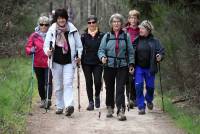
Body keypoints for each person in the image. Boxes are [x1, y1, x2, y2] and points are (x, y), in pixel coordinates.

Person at [43, 8, 83, 116]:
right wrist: (48, 51)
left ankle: (69, 106)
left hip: (69, 62)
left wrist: (79, 56)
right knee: (59, 85)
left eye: (63, 18)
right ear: (56, 19)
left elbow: (79, 46)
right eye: (59, 18)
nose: (61, 20)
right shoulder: (52, 30)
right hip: (55, 61)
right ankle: (60, 106)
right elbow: (46, 45)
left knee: (68, 84)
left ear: (66, 18)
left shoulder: (73, 29)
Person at [98, 13, 135, 121]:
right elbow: (101, 50)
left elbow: (131, 52)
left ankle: (121, 111)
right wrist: (102, 57)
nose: (116, 23)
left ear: (121, 23)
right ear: (111, 23)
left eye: (118, 21)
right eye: (114, 21)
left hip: (122, 66)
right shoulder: (107, 36)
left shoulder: (126, 36)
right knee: (109, 88)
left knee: (120, 88)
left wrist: (131, 64)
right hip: (109, 65)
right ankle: (110, 107)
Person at [133, 20, 165, 115]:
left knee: (150, 87)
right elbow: (131, 51)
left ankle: (149, 99)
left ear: (148, 30)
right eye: (140, 28)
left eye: (142, 28)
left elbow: (162, 51)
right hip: (139, 67)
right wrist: (131, 64)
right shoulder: (136, 40)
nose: (140, 30)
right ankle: (141, 106)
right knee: (138, 87)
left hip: (150, 68)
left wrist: (160, 56)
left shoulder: (155, 41)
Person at [25, 16, 52, 109]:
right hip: (38, 63)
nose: (44, 26)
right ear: (38, 25)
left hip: (49, 62)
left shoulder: (52, 34)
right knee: (40, 83)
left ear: (49, 25)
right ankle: (43, 99)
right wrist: (30, 49)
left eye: (46, 24)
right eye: (41, 24)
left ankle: (48, 100)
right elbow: (28, 47)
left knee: (48, 82)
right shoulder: (34, 35)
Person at [81, 15, 104, 111]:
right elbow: (80, 49)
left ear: (96, 23)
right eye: (89, 22)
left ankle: (97, 95)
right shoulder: (83, 36)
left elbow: (104, 48)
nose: (91, 24)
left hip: (98, 62)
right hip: (86, 62)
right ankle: (91, 102)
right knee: (89, 82)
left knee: (98, 81)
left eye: (93, 22)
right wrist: (78, 58)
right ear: (87, 24)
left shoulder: (102, 35)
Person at [124, 9, 140, 109]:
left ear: (138, 19)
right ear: (128, 19)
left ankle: (135, 98)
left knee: (136, 79)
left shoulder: (141, 30)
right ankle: (129, 98)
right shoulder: (125, 30)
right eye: (131, 18)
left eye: (135, 18)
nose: (133, 20)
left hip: (138, 57)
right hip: (127, 57)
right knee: (128, 78)